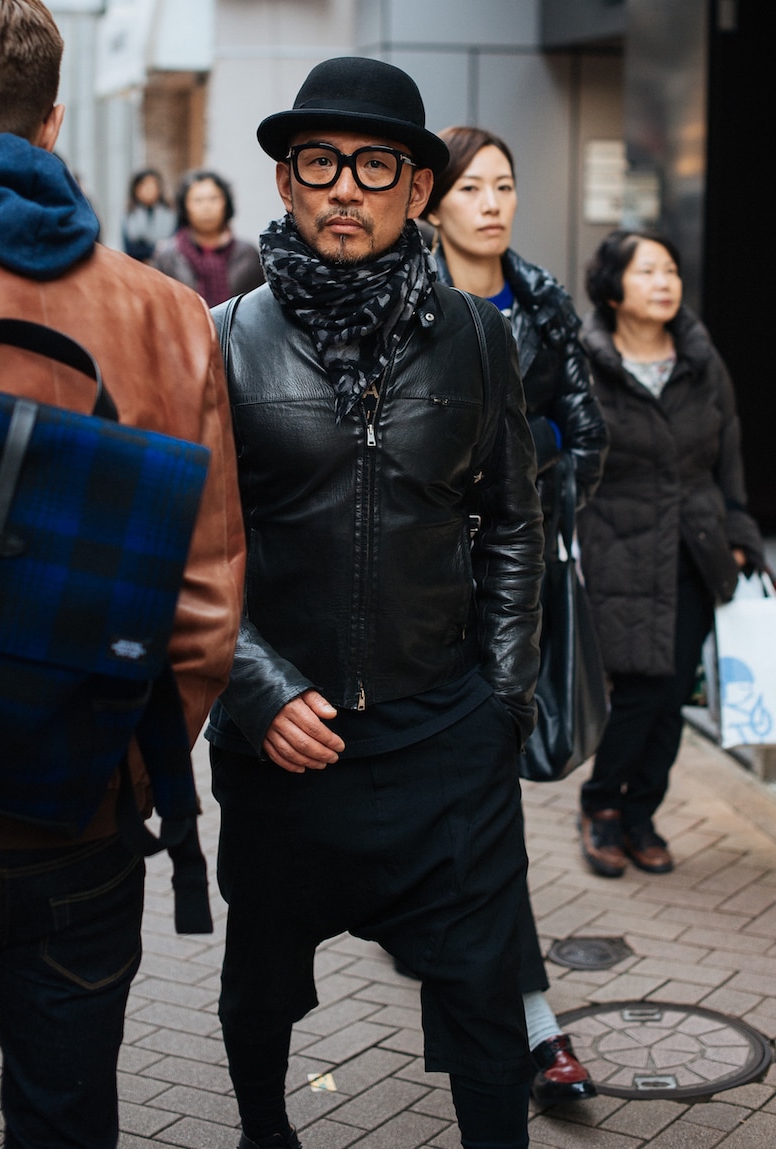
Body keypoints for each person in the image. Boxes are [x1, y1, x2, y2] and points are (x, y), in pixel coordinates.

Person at [0, 3, 245, 1148]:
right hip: (83, 819)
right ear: (54, 121)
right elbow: (206, 606)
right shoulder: (167, 314)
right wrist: (124, 771)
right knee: (64, 1122)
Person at [204, 56, 545, 1149]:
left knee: (487, 998)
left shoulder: (481, 339)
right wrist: (253, 691)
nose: (344, 186)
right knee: (259, 984)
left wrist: (499, 697)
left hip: (444, 734)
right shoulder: (219, 339)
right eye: (319, 162)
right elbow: (193, 546)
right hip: (283, 744)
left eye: (374, 164)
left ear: (414, 190)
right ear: (286, 184)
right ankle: (267, 1132)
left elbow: (513, 524)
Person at [419, 125, 609, 1104]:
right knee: (453, 827)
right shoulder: (401, 295)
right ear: (435, 202)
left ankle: (528, 1030)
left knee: (481, 818)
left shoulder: (539, 299)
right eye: (472, 188)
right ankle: (512, 1019)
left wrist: (513, 452)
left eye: (505, 186)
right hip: (406, 598)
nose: (493, 203)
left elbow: (587, 436)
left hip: (506, 597)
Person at [575, 228, 765, 879]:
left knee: (674, 692)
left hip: (695, 548)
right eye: (648, 271)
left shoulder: (700, 358)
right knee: (637, 692)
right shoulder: (586, 359)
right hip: (618, 549)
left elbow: (729, 451)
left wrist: (740, 532)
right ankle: (602, 806)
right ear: (613, 286)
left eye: (671, 272)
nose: (664, 283)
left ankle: (640, 813)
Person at [150, 168, 264, 306]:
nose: (206, 207)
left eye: (213, 199)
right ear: (185, 206)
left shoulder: (247, 255)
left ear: (226, 203)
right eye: (198, 200)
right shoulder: (167, 256)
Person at [120, 166, 176, 262]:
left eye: (153, 185)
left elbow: (175, 246)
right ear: (136, 189)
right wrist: (156, 248)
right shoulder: (129, 215)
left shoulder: (171, 213)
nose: (149, 189)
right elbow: (131, 249)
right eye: (144, 185)